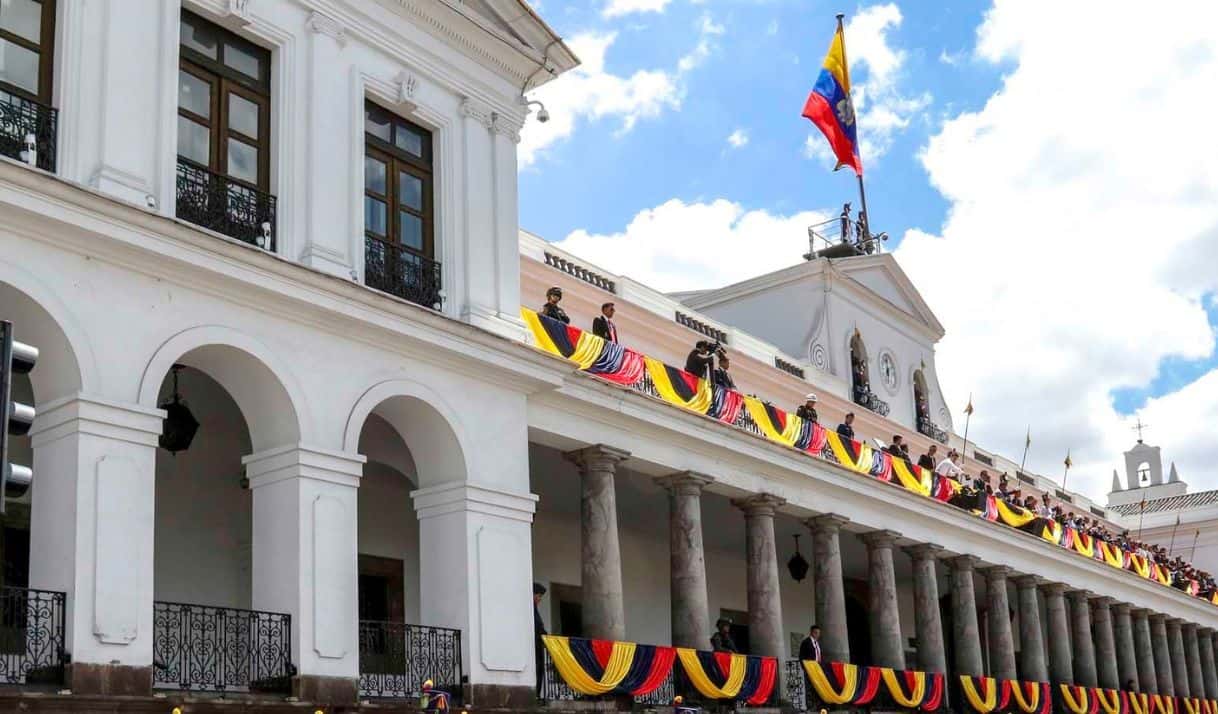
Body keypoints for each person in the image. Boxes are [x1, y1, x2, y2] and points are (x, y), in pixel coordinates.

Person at [533, 583, 548, 693]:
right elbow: (537, 627)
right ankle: (536, 694)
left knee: (539, 670)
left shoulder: (535, 610)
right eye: (538, 596)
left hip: (538, 645)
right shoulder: (531, 610)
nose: (539, 599)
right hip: (534, 646)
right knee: (537, 670)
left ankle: (537, 693)